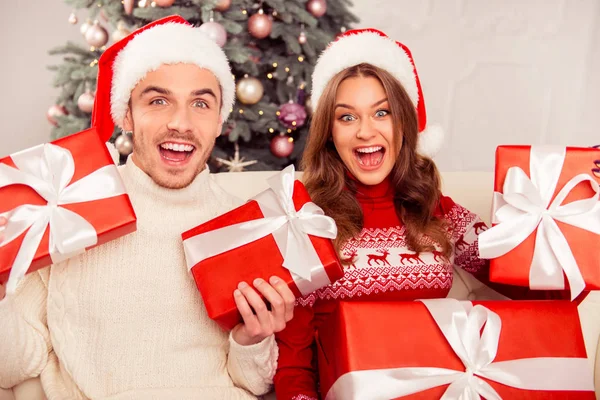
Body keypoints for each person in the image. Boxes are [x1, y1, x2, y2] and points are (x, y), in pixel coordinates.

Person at [272, 28, 579, 399]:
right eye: (347, 118)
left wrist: (581, 213)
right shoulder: (306, 222)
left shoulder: (439, 213)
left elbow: (546, 297)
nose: (366, 131)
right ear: (329, 133)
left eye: (381, 112)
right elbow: (292, 366)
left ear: (404, 121)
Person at [0, 16, 294, 399]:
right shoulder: (70, 207)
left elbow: (252, 382)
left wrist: (252, 338)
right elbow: (14, 366)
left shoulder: (247, 225)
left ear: (220, 120)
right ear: (126, 115)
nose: (180, 123)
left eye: (201, 103)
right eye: (158, 101)